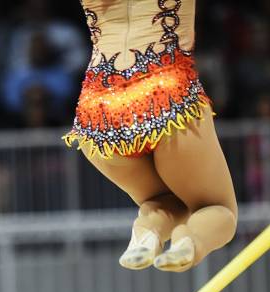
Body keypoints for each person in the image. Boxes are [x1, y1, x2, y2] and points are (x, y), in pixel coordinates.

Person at [64, 0, 238, 272]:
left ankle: (147, 232)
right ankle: (188, 241)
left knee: (162, 201)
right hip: (163, 93)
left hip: (99, 111)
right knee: (218, 210)